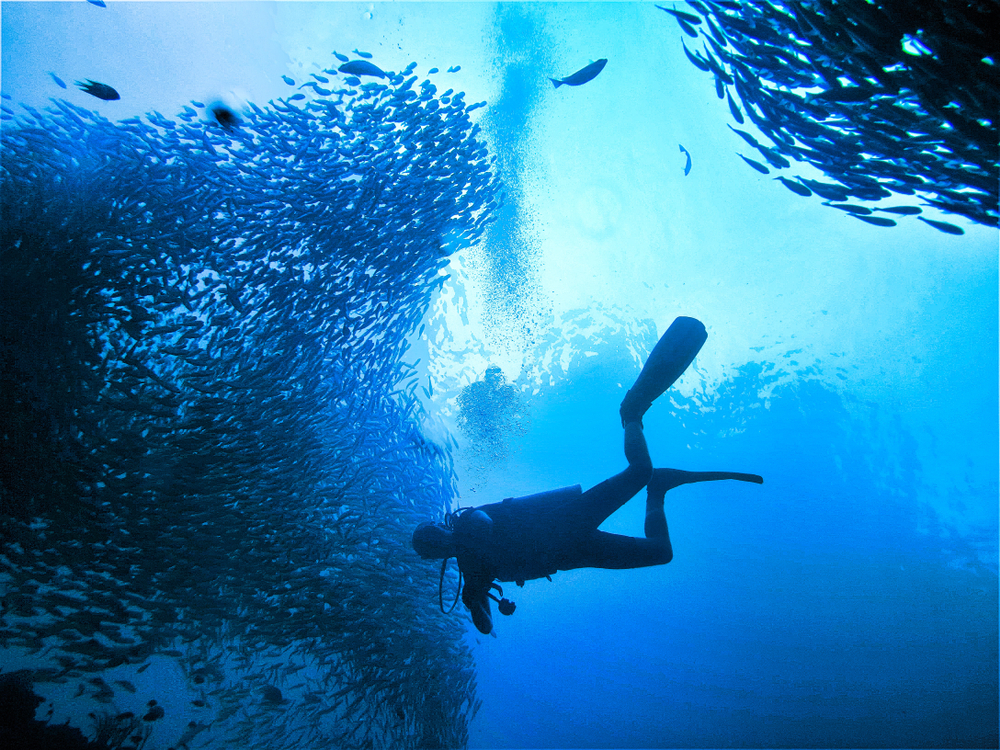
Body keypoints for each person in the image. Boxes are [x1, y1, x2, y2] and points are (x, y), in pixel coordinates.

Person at [412, 317, 763, 635]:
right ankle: (658, 490)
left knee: (639, 470)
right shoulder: (470, 575)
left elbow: (484, 525)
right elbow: (486, 627)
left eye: (433, 537)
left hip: (567, 519)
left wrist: (471, 565)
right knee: (660, 553)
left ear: (440, 528)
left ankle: (632, 412)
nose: (437, 546)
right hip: (571, 555)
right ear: (433, 558)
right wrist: (478, 605)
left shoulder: (468, 523)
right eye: (431, 551)